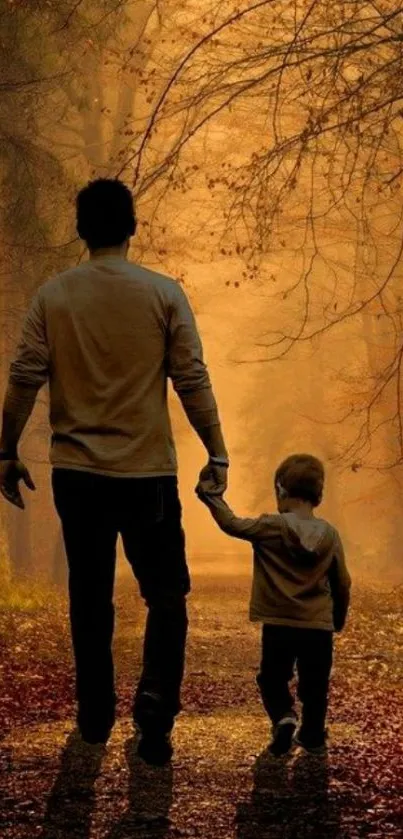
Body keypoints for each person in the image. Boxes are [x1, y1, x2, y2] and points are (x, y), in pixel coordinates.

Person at [0, 178, 229, 765]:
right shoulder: (163, 293)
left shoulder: (53, 296)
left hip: (78, 474)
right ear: (132, 227)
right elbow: (192, 378)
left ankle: (95, 713)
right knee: (167, 594)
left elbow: (25, 375)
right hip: (147, 474)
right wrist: (216, 451)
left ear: (81, 230)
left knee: (89, 594)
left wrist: (6, 450)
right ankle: (155, 703)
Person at [196, 453, 351, 756]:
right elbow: (342, 582)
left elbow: (232, 524)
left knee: (272, 678)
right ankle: (312, 734)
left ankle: (284, 716)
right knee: (315, 684)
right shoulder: (330, 535)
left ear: (280, 489)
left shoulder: (271, 526)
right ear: (318, 493)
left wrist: (210, 496)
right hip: (317, 626)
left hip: (279, 624)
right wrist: (338, 618)